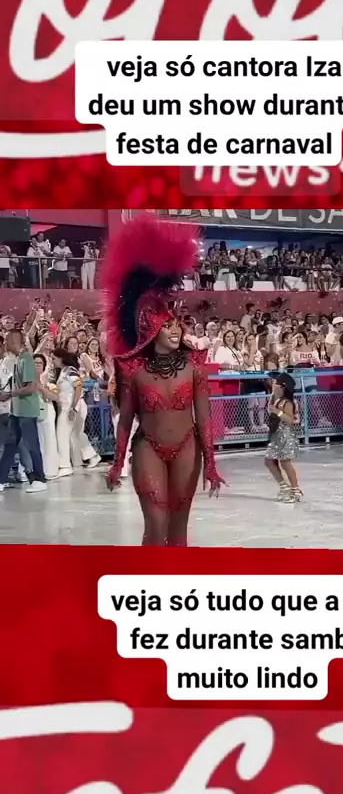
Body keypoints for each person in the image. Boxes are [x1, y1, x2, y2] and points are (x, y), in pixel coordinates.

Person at [102, 215, 225, 547]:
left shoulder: (195, 366)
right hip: (148, 448)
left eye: (176, 324)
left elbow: (205, 420)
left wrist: (211, 465)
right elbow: (125, 420)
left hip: (187, 447)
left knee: (178, 531)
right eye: (167, 325)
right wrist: (116, 463)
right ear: (149, 328)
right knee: (156, 527)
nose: (176, 329)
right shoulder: (133, 370)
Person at [0, 329, 47, 493]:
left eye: (6, 340)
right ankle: (1, 479)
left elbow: (31, 387)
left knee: (32, 445)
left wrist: (9, 394)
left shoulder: (26, 359)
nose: (5, 344)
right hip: (16, 411)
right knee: (10, 445)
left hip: (27, 411)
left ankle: (40, 479)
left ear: (14, 341)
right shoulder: (18, 359)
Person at [53, 348, 101, 476]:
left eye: (54, 358)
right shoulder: (63, 371)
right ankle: (91, 456)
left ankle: (65, 465)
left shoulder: (70, 370)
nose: (53, 361)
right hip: (68, 407)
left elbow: (78, 386)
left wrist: (73, 408)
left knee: (62, 435)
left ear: (61, 358)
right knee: (75, 435)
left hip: (70, 408)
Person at [264, 371, 302, 503]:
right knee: (269, 461)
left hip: (285, 436)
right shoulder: (276, 399)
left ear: (283, 387)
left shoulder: (287, 402)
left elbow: (290, 420)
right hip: (276, 436)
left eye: (276, 383)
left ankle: (296, 491)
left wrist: (277, 412)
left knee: (285, 463)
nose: (273, 385)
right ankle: (283, 486)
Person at [34, 354, 59, 480]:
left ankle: (50, 470)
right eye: (35, 363)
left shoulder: (48, 381)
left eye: (40, 363)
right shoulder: (27, 380)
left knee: (49, 440)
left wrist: (42, 388)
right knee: (37, 441)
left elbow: (56, 397)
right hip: (32, 412)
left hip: (47, 411)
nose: (37, 365)